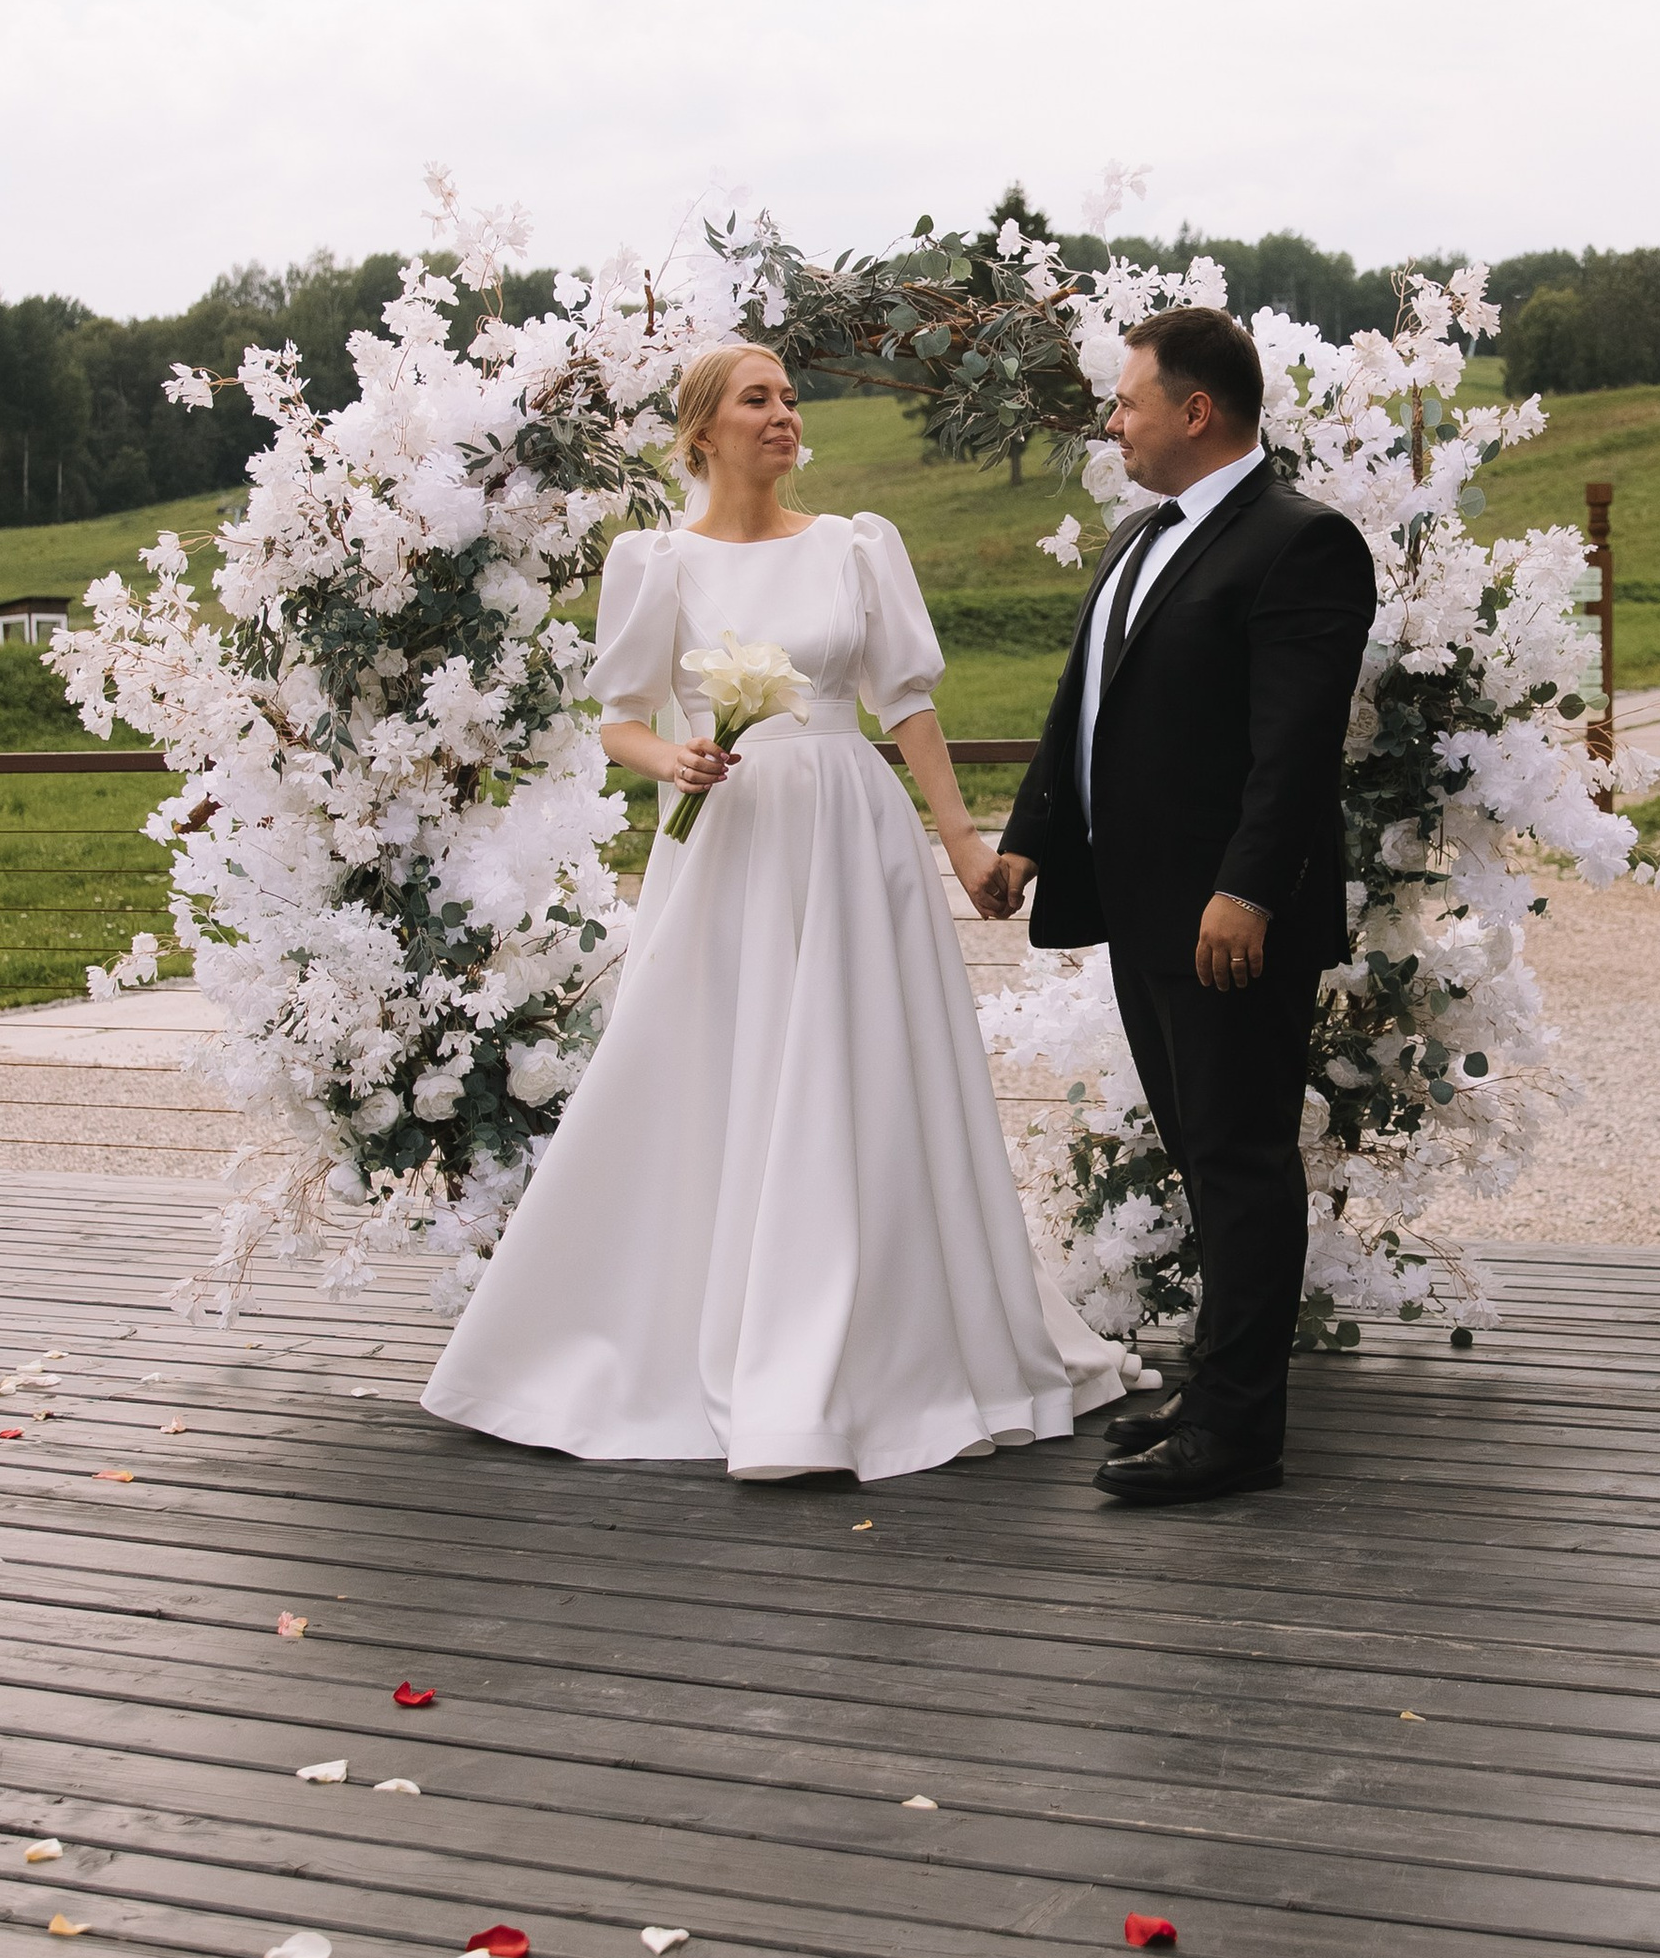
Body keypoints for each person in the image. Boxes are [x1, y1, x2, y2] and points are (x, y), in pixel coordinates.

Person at [420, 342, 1129, 1482]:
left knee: (860, 1070)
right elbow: (620, 718)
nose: (785, 415)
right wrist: (677, 757)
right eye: (759, 399)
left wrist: (960, 841)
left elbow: (905, 700)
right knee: (718, 1070)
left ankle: (875, 1336)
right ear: (703, 429)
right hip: (728, 845)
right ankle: (694, 1330)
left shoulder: (856, 545)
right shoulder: (655, 561)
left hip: (852, 835)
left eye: (792, 397)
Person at [985, 308, 1377, 1505]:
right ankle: (1215, 1388)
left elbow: (1294, 751)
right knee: (1206, 1161)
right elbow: (1082, 709)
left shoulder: (1302, 544)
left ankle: (1240, 1434)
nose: (1114, 420)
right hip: (1147, 912)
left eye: (1127, 400)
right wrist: (1028, 841)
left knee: (1242, 1160)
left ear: (1194, 411)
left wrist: (1247, 890)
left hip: (1227, 926)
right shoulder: (1138, 540)